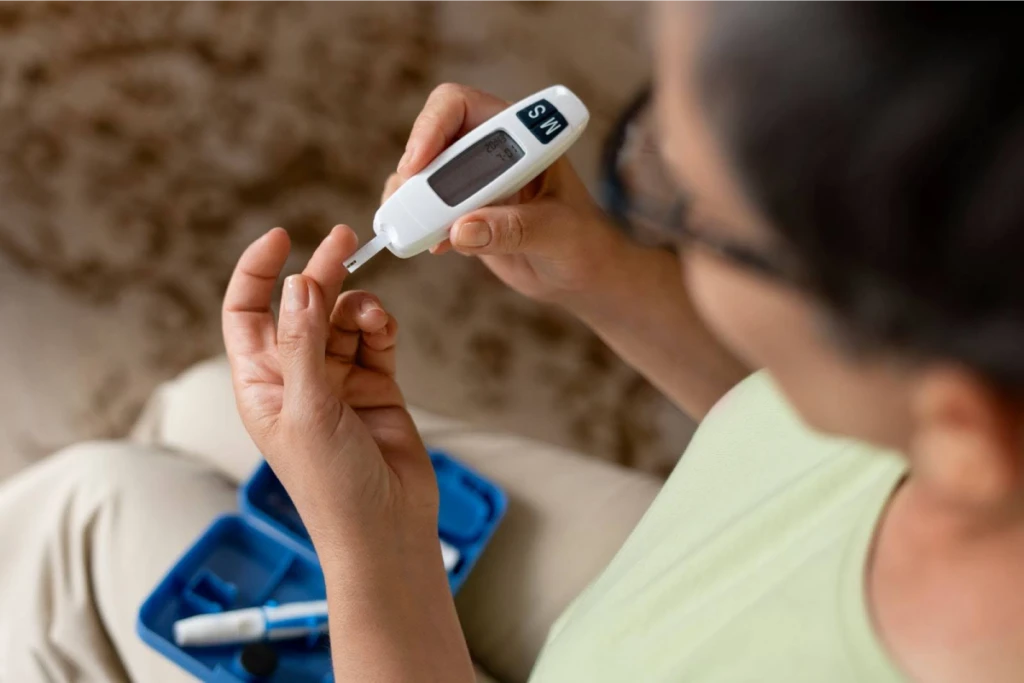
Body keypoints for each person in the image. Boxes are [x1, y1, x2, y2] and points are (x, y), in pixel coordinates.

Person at [1, 0, 1022, 680]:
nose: (654, 208)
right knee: (204, 405)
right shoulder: (963, 379)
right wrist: (602, 269)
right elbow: (807, 432)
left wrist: (377, 552)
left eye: (692, 210)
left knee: (87, 513)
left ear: (958, 423)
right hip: (698, 566)